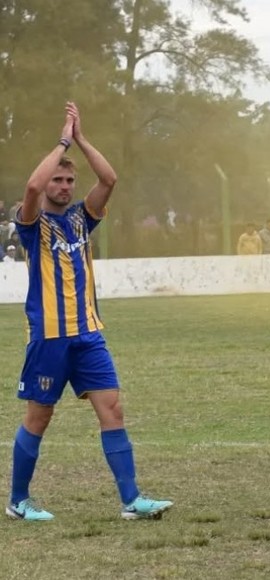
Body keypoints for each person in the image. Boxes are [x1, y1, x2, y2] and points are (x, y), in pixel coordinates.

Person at [7, 102, 172, 522]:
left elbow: (110, 179)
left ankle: (131, 500)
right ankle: (18, 501)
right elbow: (31, 187)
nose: (64, 186)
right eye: (58, 180)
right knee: (39, 417)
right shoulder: (32, 224)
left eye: (69, 180)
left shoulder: (83, 217)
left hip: (88, 334)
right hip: (49, 336)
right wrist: (62, 141)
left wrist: (81, 139)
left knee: (112, 409)